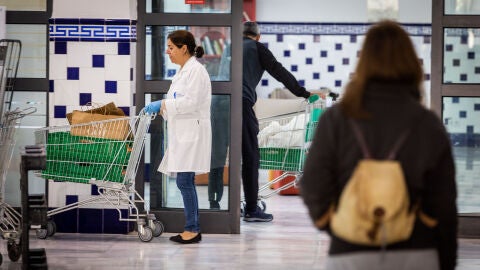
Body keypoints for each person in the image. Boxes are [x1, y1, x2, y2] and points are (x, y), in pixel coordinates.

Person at [300, 20, 457, 270]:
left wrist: (335, 224)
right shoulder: (428, 124)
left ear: (364, 64)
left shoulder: (336, 119)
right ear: (410, 65)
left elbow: (312, 183)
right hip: (416, 251)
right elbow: (444, 204)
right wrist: (446, 260)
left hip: (349, 254)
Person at [144, 30, 212, 244]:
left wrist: (161, 104)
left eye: (171, 47)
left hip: (192, 132)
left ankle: (192, 229)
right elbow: (178, 102)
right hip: (184, 132)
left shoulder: (196, 71)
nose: (167, 51)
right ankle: (192, 227)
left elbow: (189, 103)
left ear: (184, 48)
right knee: (184, 181)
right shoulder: (184, 71)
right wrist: (163, 108)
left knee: (184, 181)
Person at [242, 21, 313, 222]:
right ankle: (251, 209)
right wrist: (304, 93)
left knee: (221, 157)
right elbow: (280, 72)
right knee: (250, 156)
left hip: (221, 104)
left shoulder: (231, 48)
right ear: (258, 36)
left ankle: (217, 208)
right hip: (242, 103)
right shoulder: (257, 48)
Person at [208, 95, 229, 210]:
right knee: (216, 166)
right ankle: (214, 200)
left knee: (216, 166)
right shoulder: (219, 100)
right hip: (219, 117)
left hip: (220, 118)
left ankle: (214, 200)